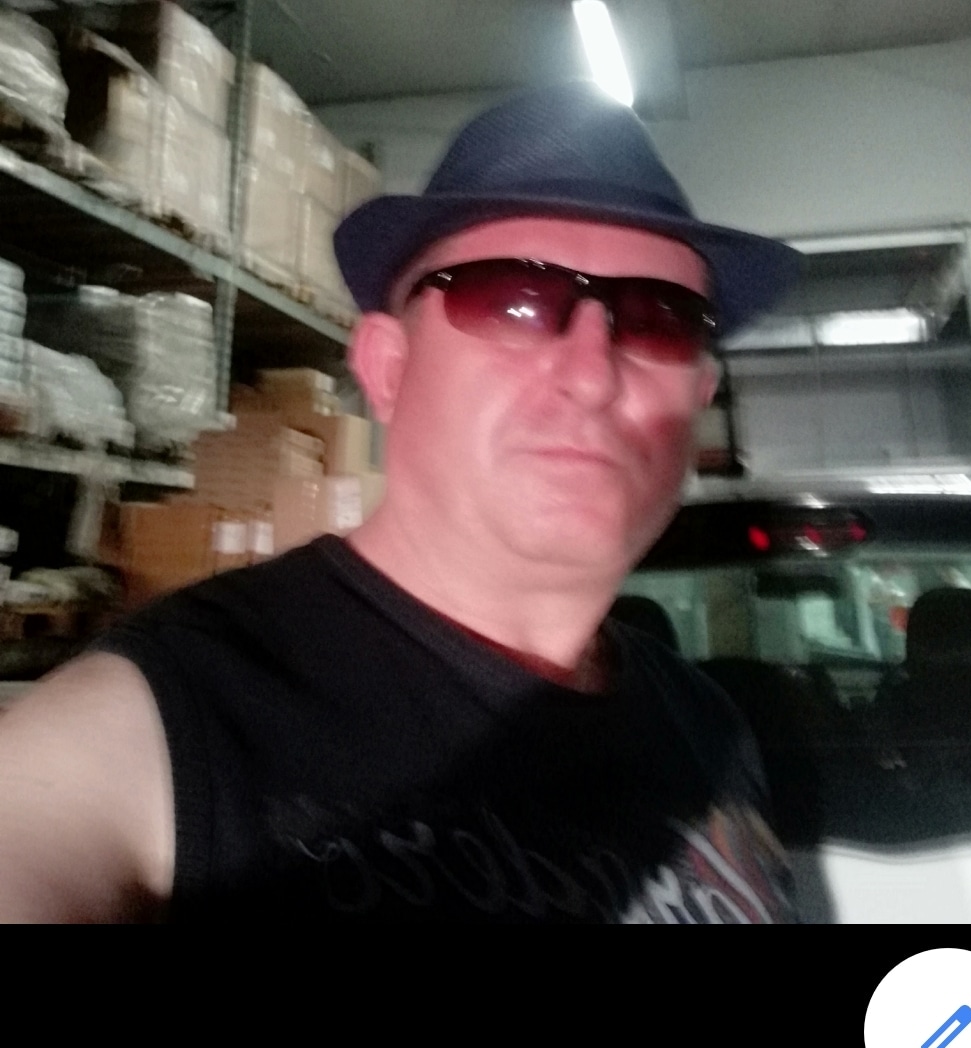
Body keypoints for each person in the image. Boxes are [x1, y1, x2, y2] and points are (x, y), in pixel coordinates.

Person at [0, 81, 800, 922]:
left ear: (699, 395)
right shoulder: (167, 729)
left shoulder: (709, 730)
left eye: (660, 318)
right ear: (388, 369)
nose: (592, 374)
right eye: (513, 300)